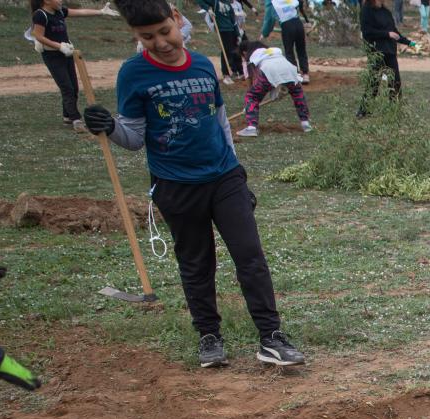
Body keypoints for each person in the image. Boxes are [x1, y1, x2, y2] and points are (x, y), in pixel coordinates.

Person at [85, 0, 307, 370]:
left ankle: (271, 337)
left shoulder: (204, 65)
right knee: (196, 262)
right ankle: (209, 337)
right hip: (176, 185)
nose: (160, 42)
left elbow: (220, 123)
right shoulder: (133, 74)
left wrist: (237, 171)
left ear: (177, 20)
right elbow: (133, 137)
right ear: (135, 36)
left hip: (224, 177)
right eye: (147, 37)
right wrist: (107, 127)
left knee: (250, 255)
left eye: (164, 31)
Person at [28, 0, 118, 132]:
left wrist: (101, 12)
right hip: (52, 56)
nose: (60, 0)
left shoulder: (59, 11)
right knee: (67, 88)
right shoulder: (40, 15)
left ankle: (67, 116)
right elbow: (38, 36)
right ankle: (76, 119)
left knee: (73, 87)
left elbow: (81, 12)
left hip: (67, 53)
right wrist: (59, 46)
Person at [237, 37, 311, 134]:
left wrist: (249, 105)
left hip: (269, 70)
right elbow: (279, 71)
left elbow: (255, 81)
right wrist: (278, 88)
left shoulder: (252, 57)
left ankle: (251, 128)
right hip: (289, 68)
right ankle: (305, 123)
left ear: (245, 52)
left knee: (252, 96)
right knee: (297, 93)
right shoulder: (272, 51)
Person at [358, 0, 411, 109]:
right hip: (376, 52)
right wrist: (386, 34)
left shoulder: (385, 11)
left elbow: (394, 32)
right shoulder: (366, 10)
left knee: (395, 80)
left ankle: (394, 108)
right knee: (374, 81)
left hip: (390, 51)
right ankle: (364, 110)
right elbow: (367, 32)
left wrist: (409, 42)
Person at [197, 0, 248, 83]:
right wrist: (208, 10)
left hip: (232, 29)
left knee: (235, 50)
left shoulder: (228, 4)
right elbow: (200, 1)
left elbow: (234, 21)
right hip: (222, 30)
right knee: (227, 50)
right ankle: (226, 74)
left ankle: (239, 71)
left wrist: (238, 34)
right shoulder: (215, 2)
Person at [259, 0, 308, 79]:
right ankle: (305, 74)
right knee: (301, 49)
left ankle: (295, 75)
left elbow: (269, 19)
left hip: (287, 25)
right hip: (298, 23)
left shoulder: (271, 2)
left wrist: (264, 33)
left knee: (289, 51)